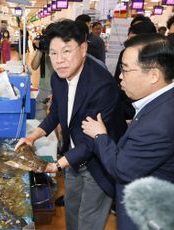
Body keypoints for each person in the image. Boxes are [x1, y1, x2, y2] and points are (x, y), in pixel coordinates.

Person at [15, 19, 126, 230]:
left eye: (66, 51)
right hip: (73, 158)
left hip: (99, 162)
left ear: (83, 48)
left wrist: (56, 166)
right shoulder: (59, 78)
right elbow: (56, 113)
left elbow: (93, 140)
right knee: (72, 214)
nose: (59, 61)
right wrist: (32, 137)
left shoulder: (102, 86)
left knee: (88, 222)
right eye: (53, 53)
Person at [81, 33, 174, 230]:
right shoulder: (161, 103)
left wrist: (100, 135)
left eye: (125, 70)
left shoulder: (158, 123)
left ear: (154, 75)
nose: (120, 77)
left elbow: (121, 169)